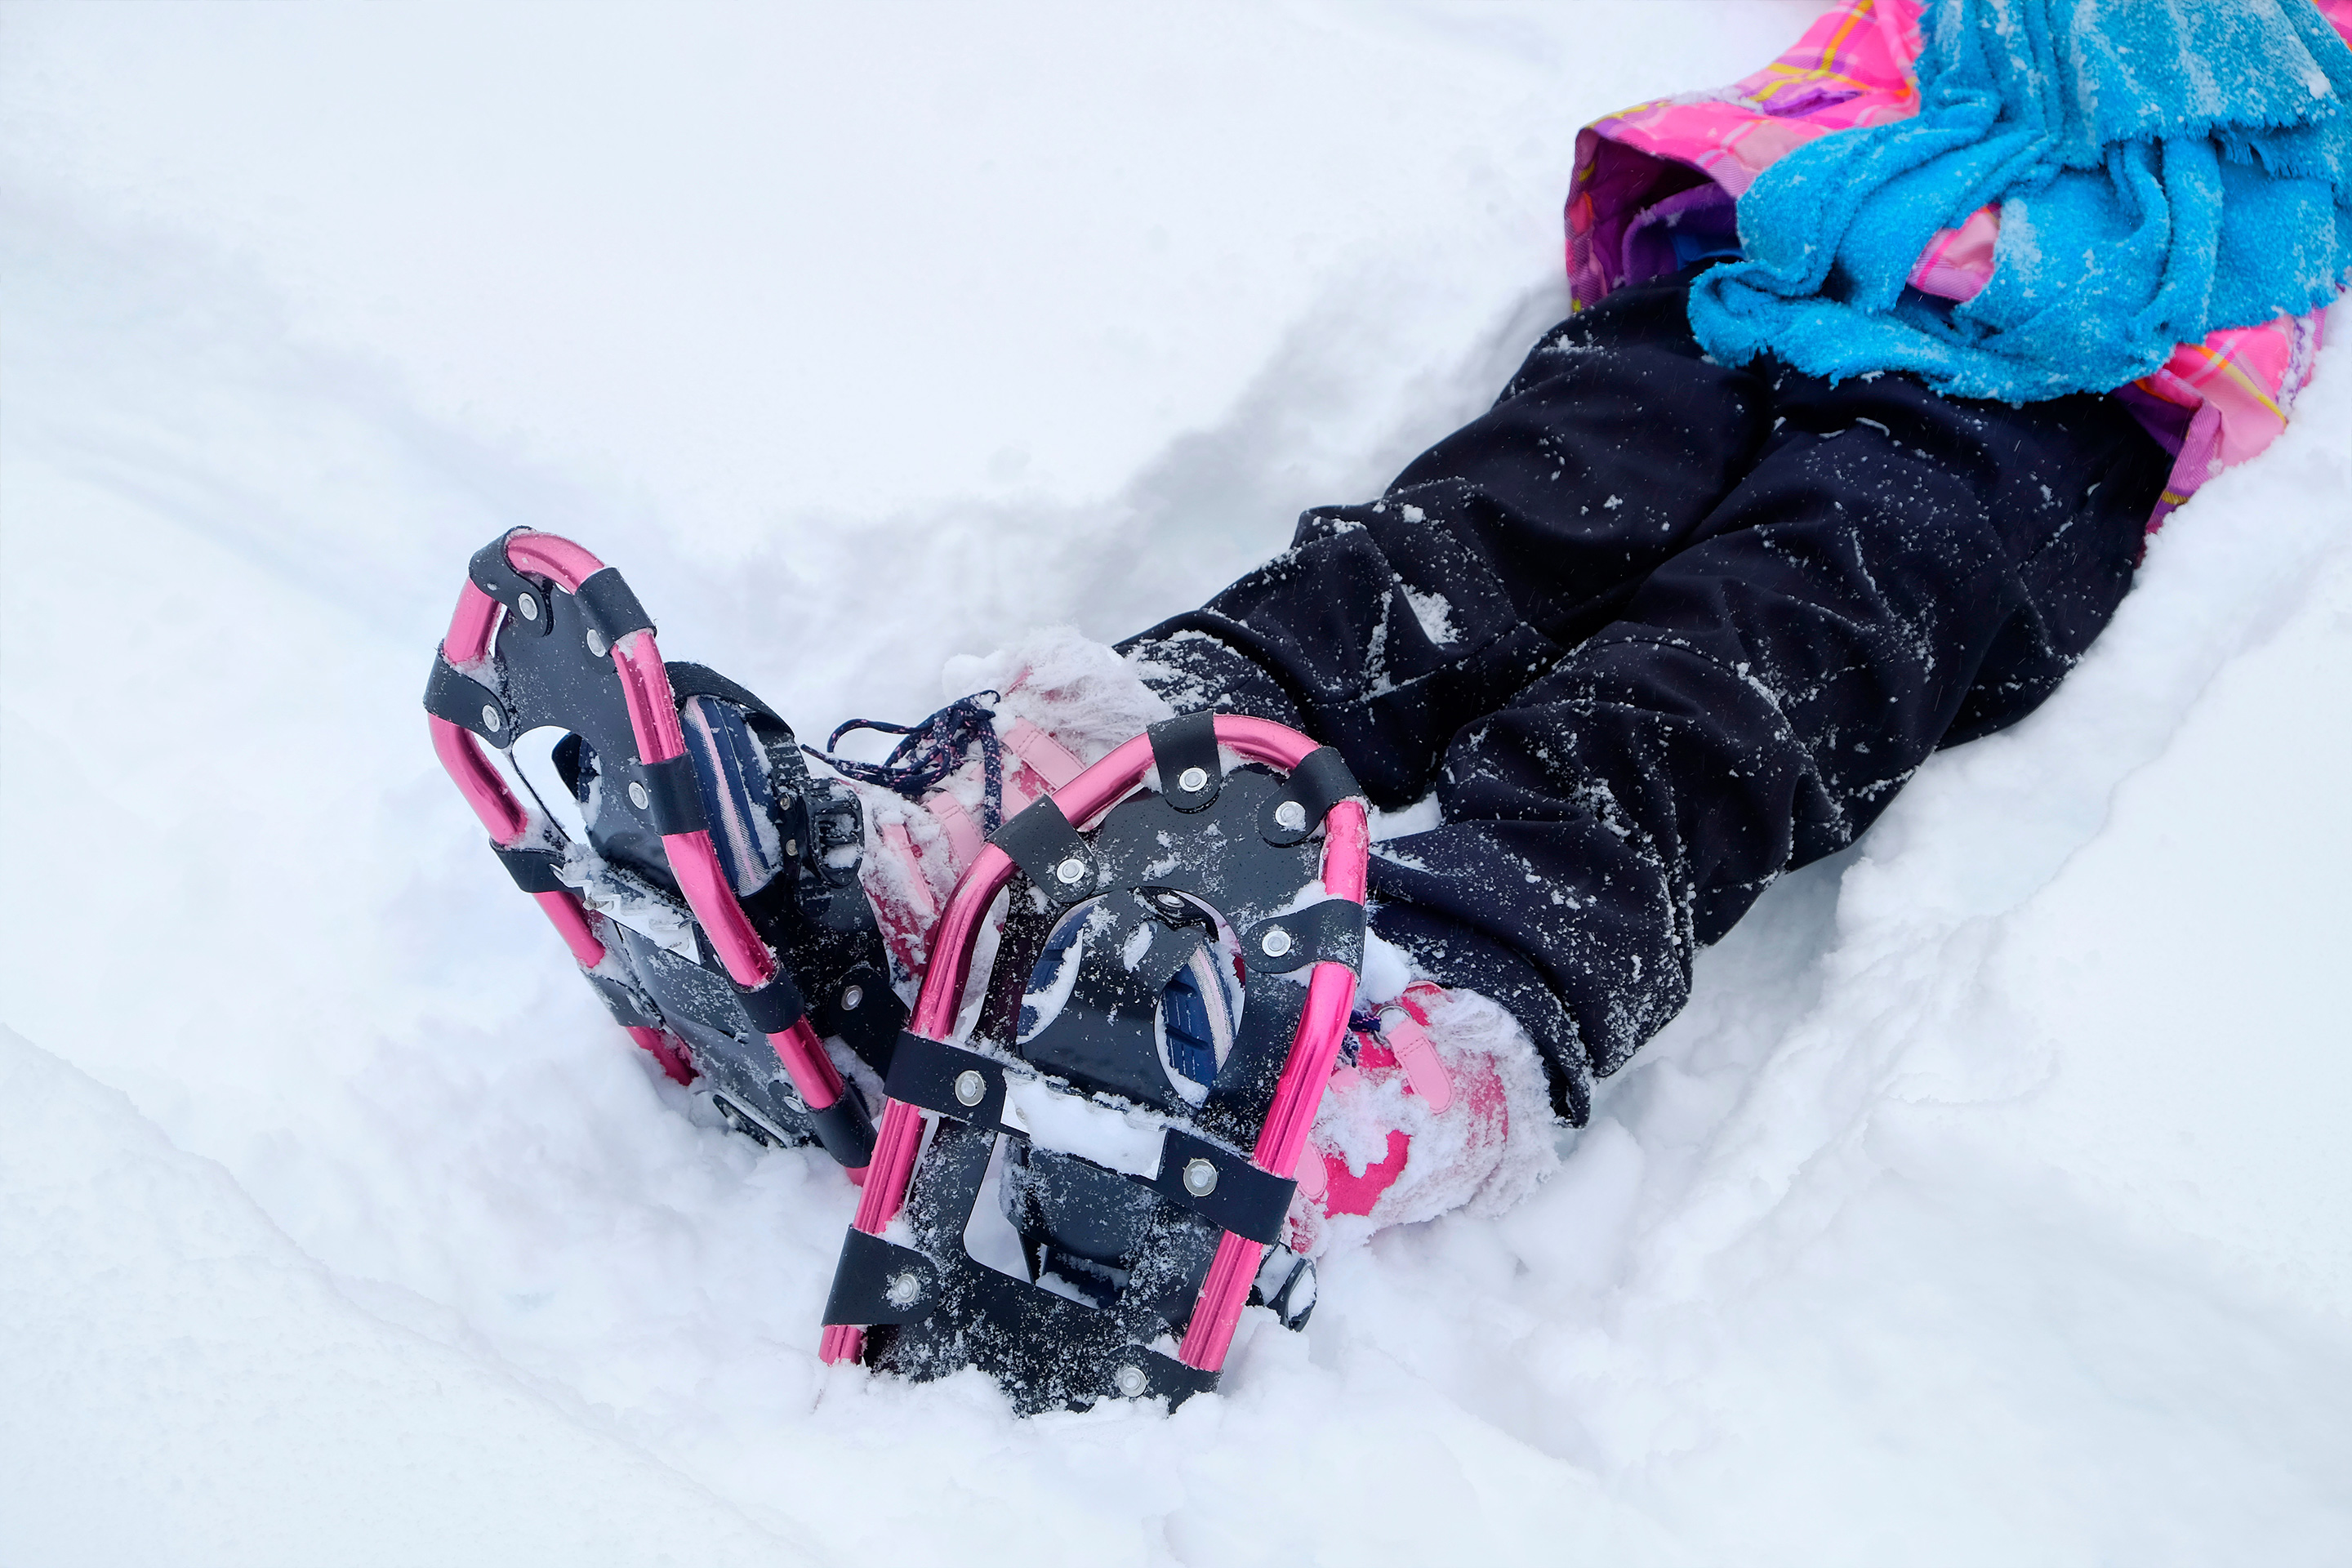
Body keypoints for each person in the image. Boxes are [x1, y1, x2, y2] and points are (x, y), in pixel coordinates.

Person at [434, 0, 2352, 1401]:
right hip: (1776, 264)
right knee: (1452, 543)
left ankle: (1388, 1066)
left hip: (2082, 398)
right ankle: (978, 840)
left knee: (1725, 677)